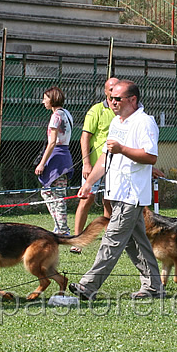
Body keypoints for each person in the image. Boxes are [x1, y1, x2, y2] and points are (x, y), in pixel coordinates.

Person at [69, 79, 165, 300]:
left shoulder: (144, 122)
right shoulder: (116, 123)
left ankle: (88, 286)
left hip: (131, 194)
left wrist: (122, 149)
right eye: (111, 98)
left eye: (117, 99)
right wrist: (89, 182)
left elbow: (150, 156)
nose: (112, 102)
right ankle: (153, 286)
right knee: (136, 243)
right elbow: (105, 157)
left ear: (132, 99)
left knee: (111, 241)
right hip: (115, 193)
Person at [70, 77, 117, 253]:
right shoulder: (96, 110)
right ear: (105, 91)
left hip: (116, 165)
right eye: (111, 89)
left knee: (109, 201)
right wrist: (86, 163)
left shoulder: (123, 111)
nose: (114, 93)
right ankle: (77, 239)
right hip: (97, 165)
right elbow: (85, 137)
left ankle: (108, 239)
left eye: (117, 89)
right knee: (86, 199)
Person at [35, 86, 74, 236]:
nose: (43, 101)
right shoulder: (66, 114)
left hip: (58, 156)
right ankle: (59, 226)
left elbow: (52, 142)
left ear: (52, 99)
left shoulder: (56, 116)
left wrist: (42, 163)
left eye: (45, 98)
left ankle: (63, 229)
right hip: (63, 154)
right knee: (47, 192)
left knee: (58, 195)